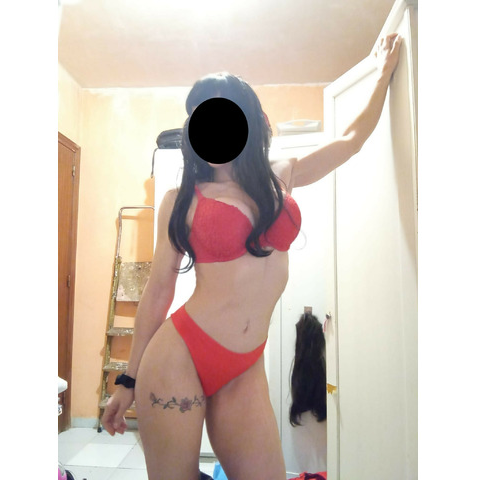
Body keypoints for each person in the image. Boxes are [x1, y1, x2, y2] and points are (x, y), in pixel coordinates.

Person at [102, 33, 402, 480]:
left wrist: (382, 74)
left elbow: (352, 139)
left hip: (244, 366)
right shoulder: (179, 199)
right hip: (179, 357)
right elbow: (158, 290)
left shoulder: (281, 176)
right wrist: (128, 380)